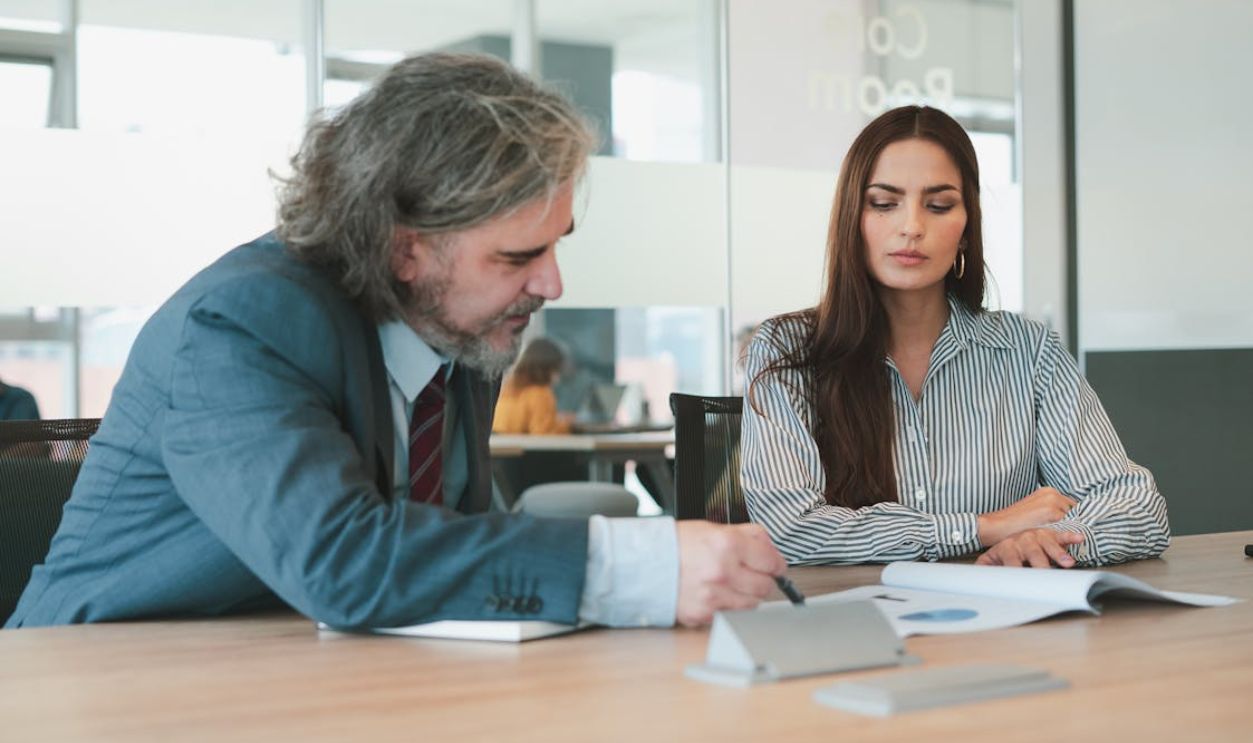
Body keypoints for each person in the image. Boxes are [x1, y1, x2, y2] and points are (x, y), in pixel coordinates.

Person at [7, 53, 785, 629]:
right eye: (517, 256)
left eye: (554, 246)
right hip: (101, 686)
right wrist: (640, 567)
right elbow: (342, 560)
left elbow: (449, 546)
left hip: (309, 668)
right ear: (403, 249)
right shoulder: (239, 324)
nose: (552, 285)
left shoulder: (463, 327)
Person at [741, 105, 1169, 570]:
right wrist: (984, 527)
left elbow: (1136, 508)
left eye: (939, 205)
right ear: (852, 220)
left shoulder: (1028, 350)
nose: (911, 227)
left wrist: (1045, 542)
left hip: (1000, 625)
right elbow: (789, 532)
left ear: (966, 228)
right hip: (853, 628)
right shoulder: (788, 351)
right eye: (884, 203)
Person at [493, 337, 573, 434]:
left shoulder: (507, 389)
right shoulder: (540, 393)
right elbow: (543, 432)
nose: (558, 376)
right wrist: (567, 424)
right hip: (524, 447)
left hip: (502, 446)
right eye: (556, 369)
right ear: (546, 369)